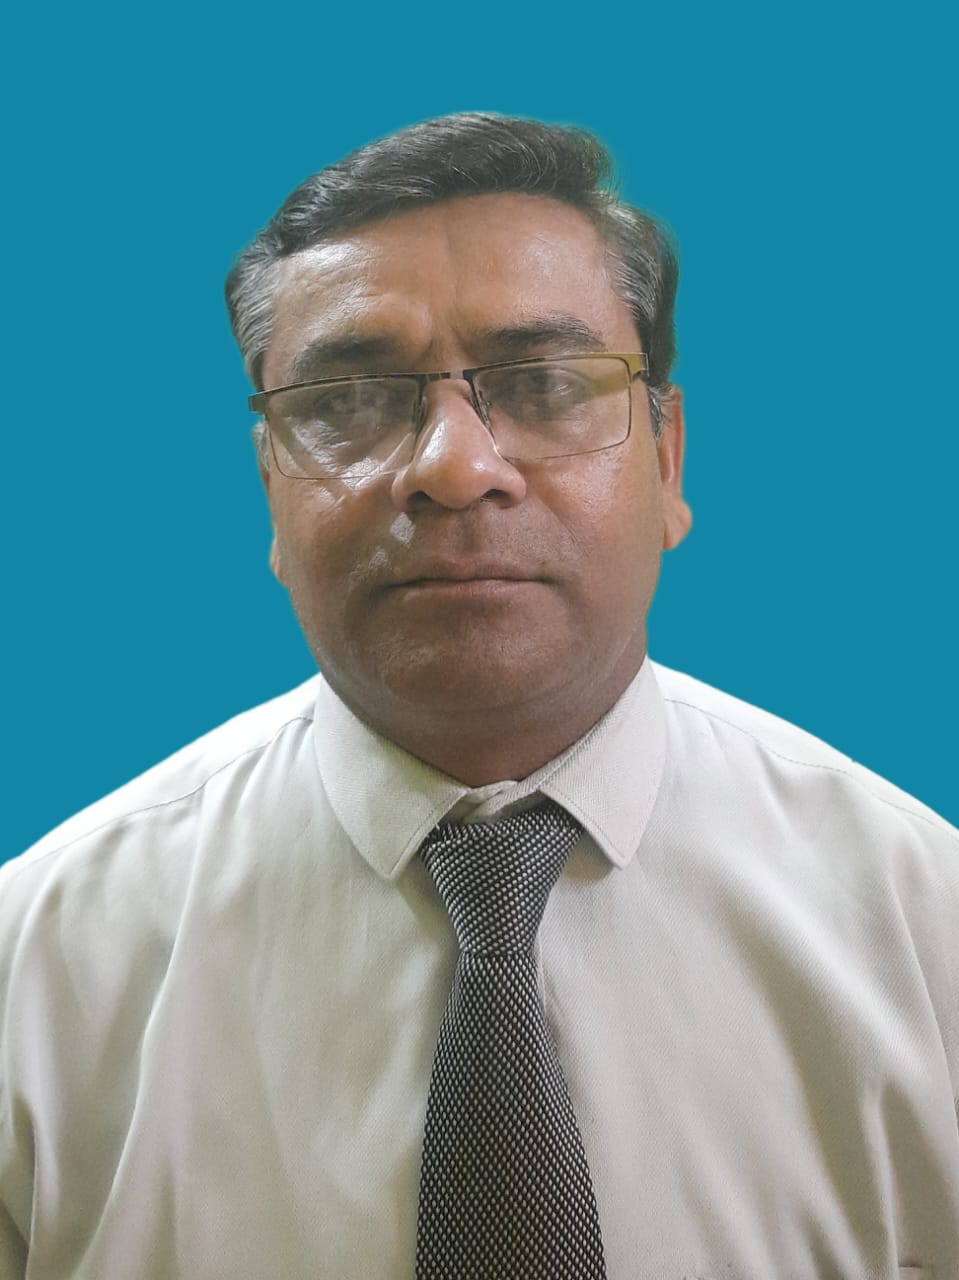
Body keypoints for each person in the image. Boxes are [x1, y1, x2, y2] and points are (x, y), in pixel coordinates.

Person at [0, 113, 956, 1280]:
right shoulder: (37, 969)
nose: (453, 466)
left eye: (543, 382)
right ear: (269, 487)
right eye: (348, 398)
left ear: (666, 457)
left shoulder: (925, 927)